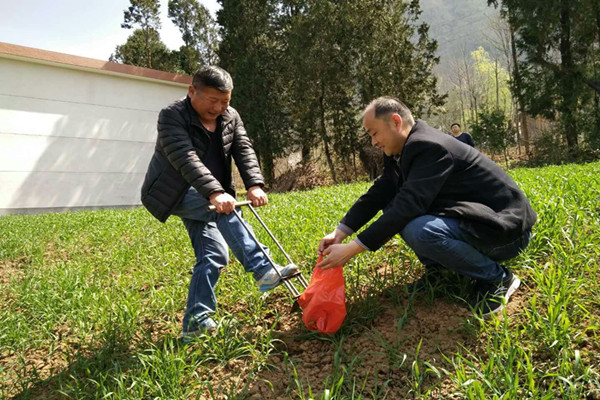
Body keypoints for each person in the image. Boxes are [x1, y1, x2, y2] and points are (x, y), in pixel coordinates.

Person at [317, 97, 536, 315]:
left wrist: (352, 249)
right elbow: (381, 191)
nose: (373, 142)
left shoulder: (429, 146)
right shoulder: (401, 149)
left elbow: (408, 206)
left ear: (396, 121)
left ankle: (497, 278)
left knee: (419, 229)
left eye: (374, 133)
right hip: (475, 221)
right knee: (393, 205)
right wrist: (340, 232)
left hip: (505, 234)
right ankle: (440, 270)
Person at [141, 66, 297, 340]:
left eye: (225, 101)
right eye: (212, 100)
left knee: (213, 254)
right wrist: (214, 193)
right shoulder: (171, 116)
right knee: (226, 212)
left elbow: (243, 148)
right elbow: (184, 156)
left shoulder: (230, 116)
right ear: (192, 92)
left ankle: (195, 323)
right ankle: (263, 268)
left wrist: (255, 184)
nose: (219, 107)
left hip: (210, 192)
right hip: (173, 192)